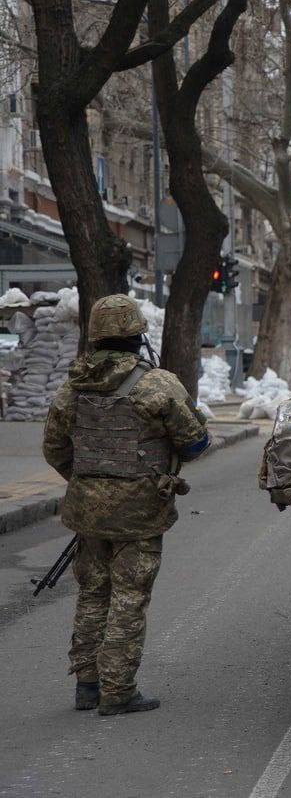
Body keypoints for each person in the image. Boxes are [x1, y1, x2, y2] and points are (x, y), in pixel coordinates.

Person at [42, 294, 210, 714]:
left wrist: (88, 483)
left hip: (86, 510)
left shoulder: (73, 385)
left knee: (93, 593)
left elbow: (54, 449)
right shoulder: (158, 384)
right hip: (140, 511)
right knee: (129, 597)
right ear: (138, 337)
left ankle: (86, 685)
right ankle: (118, 692)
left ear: (94, 337)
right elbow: (195, 442)